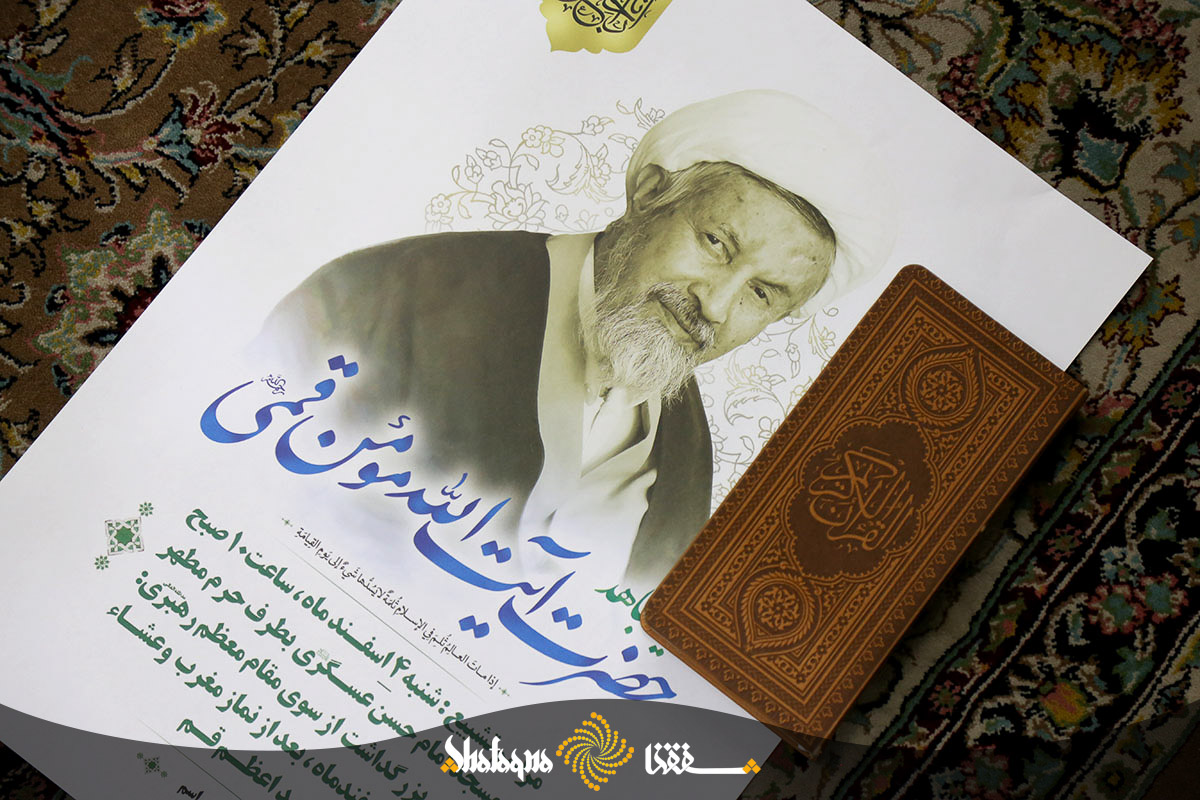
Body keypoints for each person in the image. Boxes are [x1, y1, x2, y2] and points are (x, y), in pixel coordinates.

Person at [257, 90, 896, 590]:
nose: (715, 304)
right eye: (716, 244)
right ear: (650, 194)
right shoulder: (392, 291)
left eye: (762, 293)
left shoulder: (687, 462)